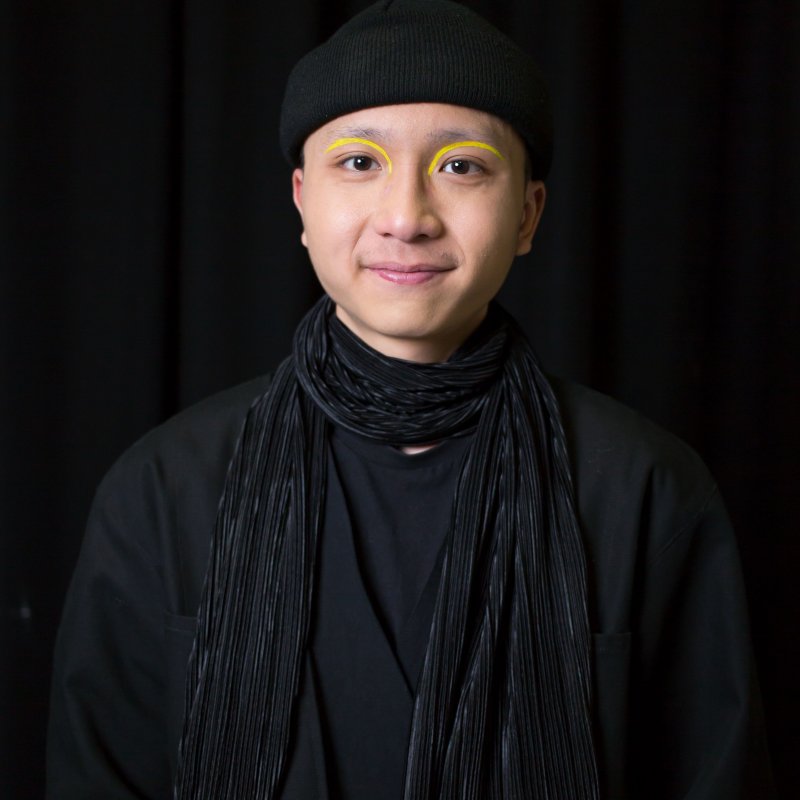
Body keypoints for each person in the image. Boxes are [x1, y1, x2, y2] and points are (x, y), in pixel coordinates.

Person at [46, 1, 772, 798]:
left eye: (461, 166)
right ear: (300, 201)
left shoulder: (647, 491)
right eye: (358, 163)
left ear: (528, 214)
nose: (406, 217)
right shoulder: (161, 491)